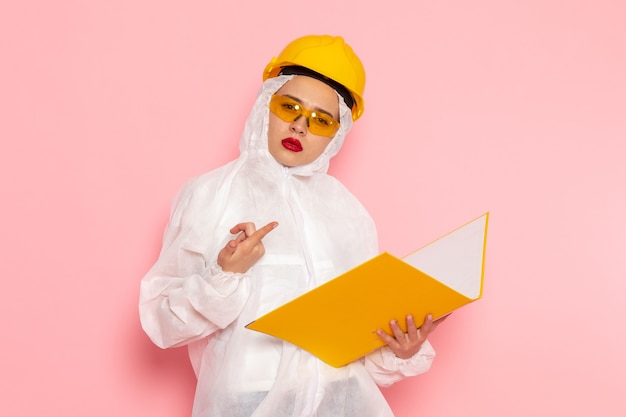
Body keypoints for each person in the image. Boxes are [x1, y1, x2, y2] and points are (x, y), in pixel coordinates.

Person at [139, 34, 443, 417]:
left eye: (320, 120)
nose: (300, 126)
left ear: (337, 133)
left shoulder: (349, 212)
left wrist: (399, 349)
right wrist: (225, 275)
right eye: (289, 107)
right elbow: (163, 323)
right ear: (266, 105)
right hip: (247, 402)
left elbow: (358, 338)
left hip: (342, 400)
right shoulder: (209, 195)